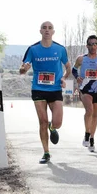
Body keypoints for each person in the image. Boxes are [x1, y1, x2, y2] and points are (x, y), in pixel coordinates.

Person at [20, 21, 72, 164]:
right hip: (38, 89)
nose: (47, 30)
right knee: (42, 121)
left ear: (53, 32)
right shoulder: (33, 49)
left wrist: (63, 78)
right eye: (44, 28)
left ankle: (52, 128)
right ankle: (46, 152)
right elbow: (22, 70)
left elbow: (68, 67)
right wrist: (24, 68)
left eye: (50, 28)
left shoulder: (60, 49)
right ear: (40, 31)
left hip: (55, 89)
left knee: (58, 122)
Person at [72, 35, 97, 153]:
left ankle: (91, 139)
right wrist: (77, 77)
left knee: (95, 115)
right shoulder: (81, 59)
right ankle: (86, 133)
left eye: (95, 44)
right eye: (90, 44)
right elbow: (74, 70)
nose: (93, 46)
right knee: (89, 111)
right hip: (85, 89)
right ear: (87, 46)